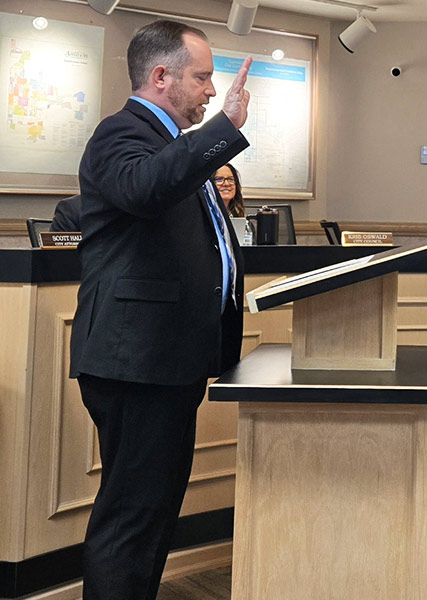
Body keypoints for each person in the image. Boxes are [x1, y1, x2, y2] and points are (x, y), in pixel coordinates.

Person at [69, 19, 252, 600]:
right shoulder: (120, 133)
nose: (209, 90)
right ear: (160, 75)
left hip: (166, 362)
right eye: (201, 78)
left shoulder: (171, 145)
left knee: (150, 515)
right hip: (136, 364)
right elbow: (146, 188)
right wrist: (225, 128)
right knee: (131, 519)